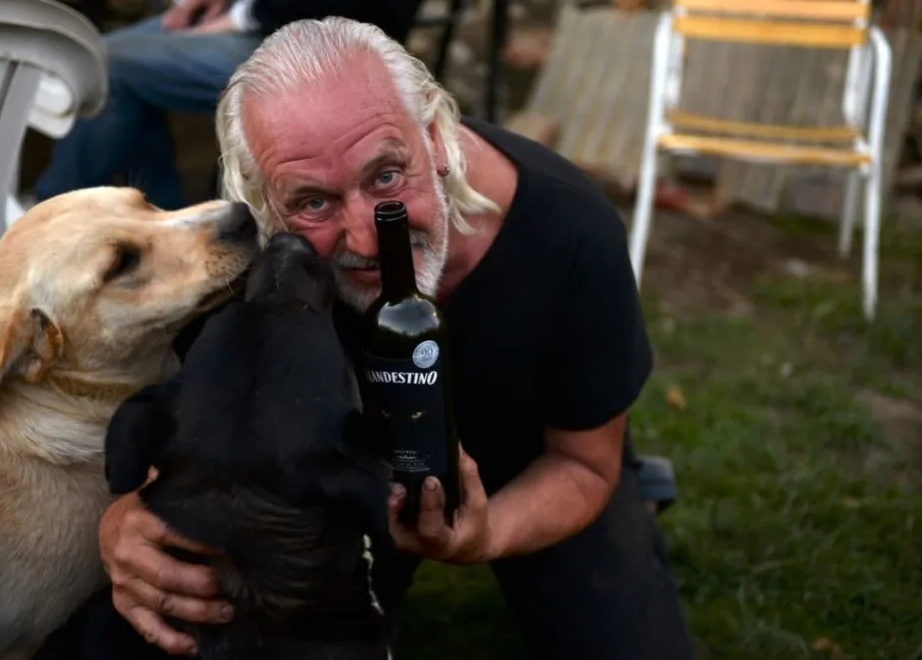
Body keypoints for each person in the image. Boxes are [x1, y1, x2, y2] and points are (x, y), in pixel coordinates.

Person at [97, 16, 695, 660]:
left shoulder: (571, 233)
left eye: (385, 177)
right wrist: (120, 522)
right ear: (262, 198)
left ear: (436, 137)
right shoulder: (251, 268)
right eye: (314, 203)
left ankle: (639, 491)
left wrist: (490, 534)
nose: (362, 237)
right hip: (351, 476)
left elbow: (584, 462)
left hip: (535, 459)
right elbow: (200, 436)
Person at [28, 0, 423, 211]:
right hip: (260, 13)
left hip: (315, 36)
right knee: (101, 56)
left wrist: (238, 16)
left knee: (107, 67)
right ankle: (160, 217)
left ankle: (48, 208)